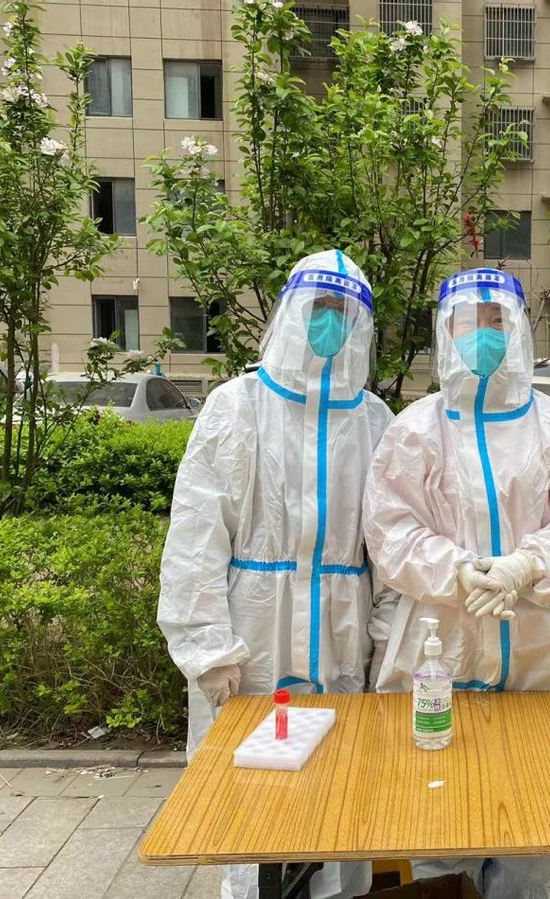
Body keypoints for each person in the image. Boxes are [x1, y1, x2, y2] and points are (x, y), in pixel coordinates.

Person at [362, 268, 550, 897]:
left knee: (533, 825)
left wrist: (526, 565)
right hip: (438, 647)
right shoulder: (414, 429)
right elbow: (390, 529)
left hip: (541, 653)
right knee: (436, 825)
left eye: (496, 320)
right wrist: (458, 570)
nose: (483, 334)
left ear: (520, 330)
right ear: (444, 333)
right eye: (468, 322)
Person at [158, 250, 392, 899]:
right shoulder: (236, 407)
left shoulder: (373, 419)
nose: (329, 323)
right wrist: (207, 648)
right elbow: (195, 538)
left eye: (342, 312)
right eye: (318, 308)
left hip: (342, 636)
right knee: (251, 799)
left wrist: (390, 644)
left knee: (341, 797)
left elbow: (392, 550)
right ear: (291, 312)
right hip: (253, 638)